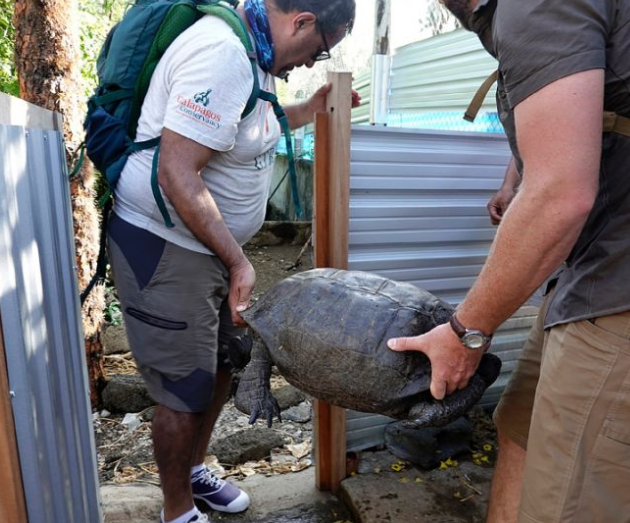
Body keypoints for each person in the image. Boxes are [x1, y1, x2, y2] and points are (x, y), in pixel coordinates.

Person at [106, 1, 358, 522]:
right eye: (320, 49)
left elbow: (246, 121)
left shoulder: (254, 57)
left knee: (222, 366)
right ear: (302, 21)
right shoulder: (222, 52)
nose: (313, 61)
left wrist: (308, 108)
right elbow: (178, 172)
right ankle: (177, 510)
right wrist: (240, 262)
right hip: (168, 245)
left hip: (210, 249)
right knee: (184, 387)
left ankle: (192, 472)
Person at [388, 1, 630, 522]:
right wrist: (518, 176)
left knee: (569, 496)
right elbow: (574, 114)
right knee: (519, 425)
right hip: (586, 267)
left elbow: (561, 196)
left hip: (617, 278)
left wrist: (466, 332)